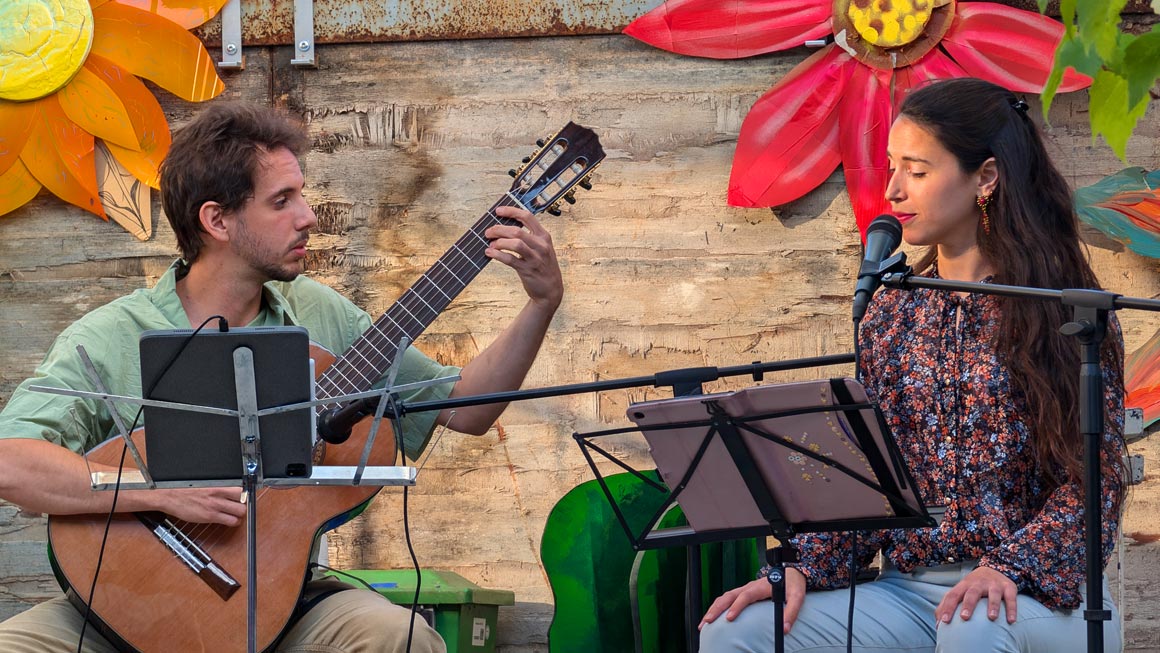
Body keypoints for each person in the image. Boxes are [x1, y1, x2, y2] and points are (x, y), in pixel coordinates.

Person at [0, 102, 564, 652]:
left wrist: (541, 303)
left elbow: (468, 408)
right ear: (217, 220)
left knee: (399, 636)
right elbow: (10, 462)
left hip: (279, 602)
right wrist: (162, 493)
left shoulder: (321, 316)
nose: (308, 216)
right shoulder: (112, 336)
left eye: (302, 194)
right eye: (282, 200)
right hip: (115, 607)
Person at [699, 77, 1126, 652]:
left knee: (972, 625)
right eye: (892, 168)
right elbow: (875, 478)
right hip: (908, 591)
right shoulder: (892, 311)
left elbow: (1095, 480)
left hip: (1041, 595)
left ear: (987, 177)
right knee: (743, 631)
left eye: (917, 171)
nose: (894, 191)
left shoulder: (1065, 311)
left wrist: (1010, 567)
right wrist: (804, 568)